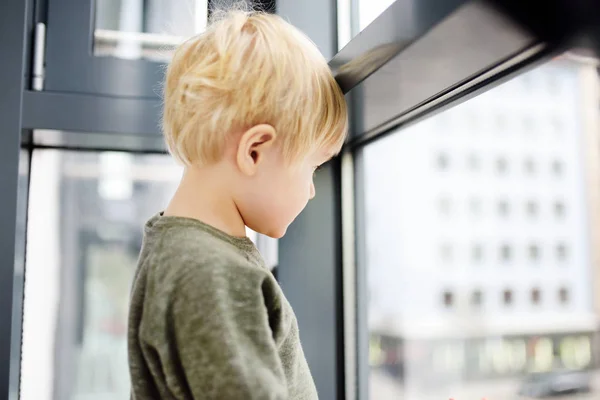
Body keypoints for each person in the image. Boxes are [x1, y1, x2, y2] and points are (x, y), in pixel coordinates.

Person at [127, 4, 348, 400]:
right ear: (254, 152)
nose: (312, 190)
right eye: (312, 168)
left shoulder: (188, 251)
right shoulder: (206, 270)